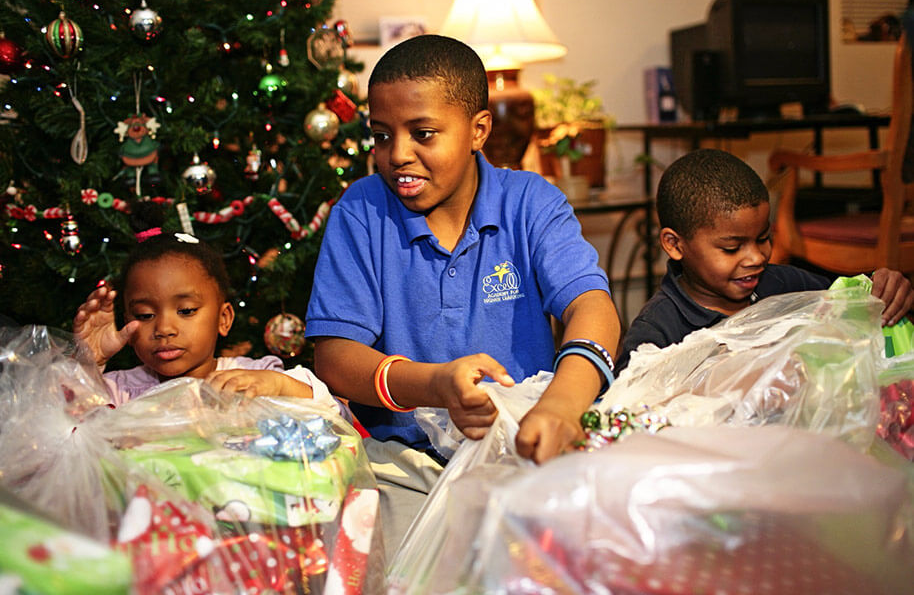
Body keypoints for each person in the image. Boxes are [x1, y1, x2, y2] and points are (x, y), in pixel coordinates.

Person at [305, 34, 621, 551]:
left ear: (478, 130)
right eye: (381, 136)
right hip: (402, 467)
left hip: (529, 448)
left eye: (423, 134)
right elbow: (336, 358)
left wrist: (562, 407)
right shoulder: (360, 212)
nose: (397, 156)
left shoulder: (531, 203)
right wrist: (436, 387)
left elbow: (593, 308)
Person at [615, 148, 914, 373]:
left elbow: (851, 303)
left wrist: (884, 287)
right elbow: (630, 407)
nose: (756, 257)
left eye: (763, 238)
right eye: (732, 248)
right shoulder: (658, 330)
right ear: (674, 244)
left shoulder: (784, 284)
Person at [74, 203, 332, 407]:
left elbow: (335, 414)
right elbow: (56, 440)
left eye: (186, 311)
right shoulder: (117, 392)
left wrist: (280, 386)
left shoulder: (254, 376)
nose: (164, 328)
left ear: (224, 318)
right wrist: (89, 364)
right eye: (145, 315)